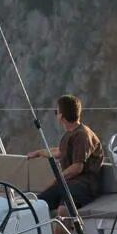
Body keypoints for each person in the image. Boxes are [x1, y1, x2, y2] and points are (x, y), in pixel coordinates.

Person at [29, 95, 105, 223]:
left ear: (61, 116)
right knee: (37, 205)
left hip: (84, 185)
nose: (56, 114)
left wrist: (57, 180)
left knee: (63, 211)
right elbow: (60, 152)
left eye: (56, 111)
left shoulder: (82, 135)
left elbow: (77, 167)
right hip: (69, 184)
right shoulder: (70, 133)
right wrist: (39, 153)